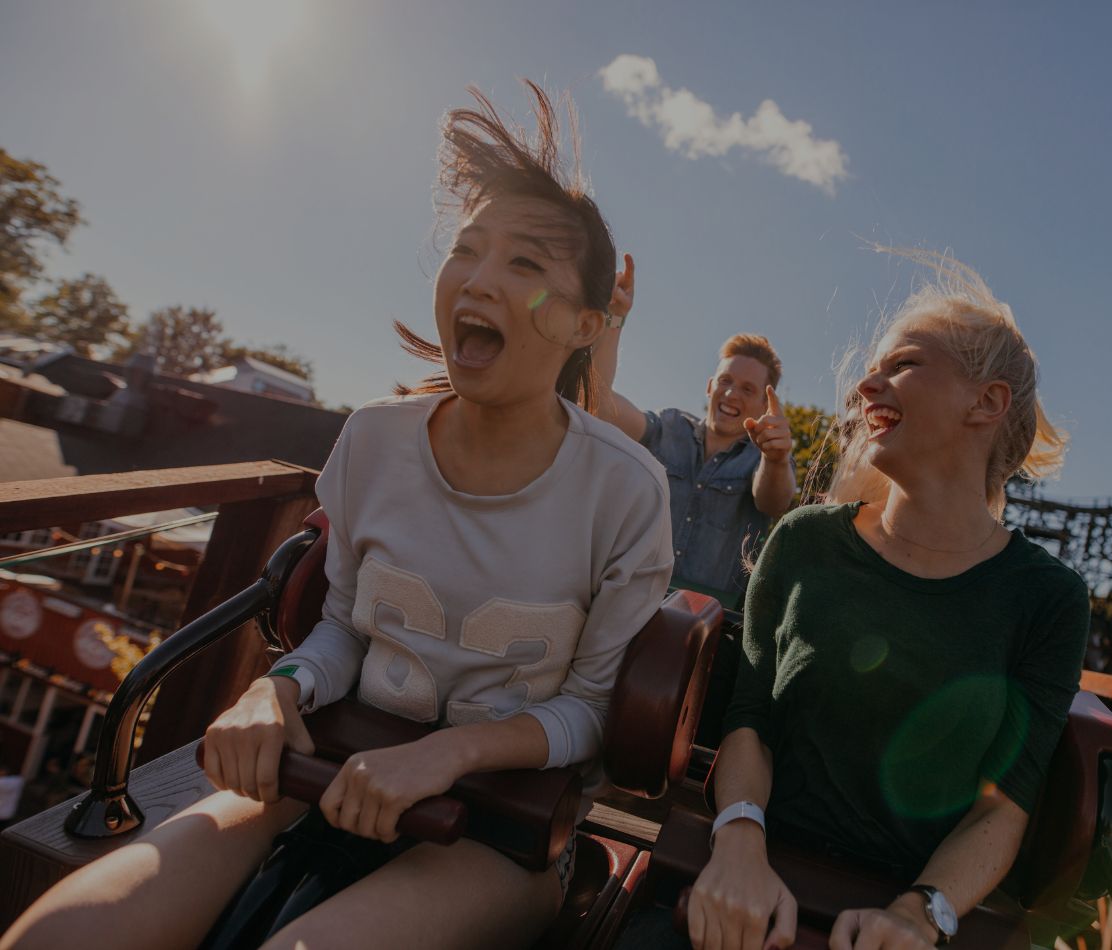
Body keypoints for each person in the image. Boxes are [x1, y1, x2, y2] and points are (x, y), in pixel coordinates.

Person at [2, 82, 672, 950]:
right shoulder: (373, 439)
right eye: (467, 249)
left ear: (586, 323)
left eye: (525, 265)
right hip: (327, 765)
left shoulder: (625, 489)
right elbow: (347, 631)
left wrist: (452, 752)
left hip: (501, 829)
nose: (477, 278)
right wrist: (271, 690)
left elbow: (590, 714)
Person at [677, 250, 1089, 950]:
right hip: (751, 881)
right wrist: (739, 844)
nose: (867, 383)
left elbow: (1003, 805)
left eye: (901, 365)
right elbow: (751, 719)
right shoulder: (805, 541)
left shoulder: (1048, 598)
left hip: (901, 917)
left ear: (986, 403)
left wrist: (920, 914)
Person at [593, 262, 796, 605]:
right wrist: (613, 319)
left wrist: (776, 459)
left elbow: (774, 501)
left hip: (707, 626)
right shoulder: (670, 426)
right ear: (709, 386)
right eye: (726, 381)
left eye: (747, 389)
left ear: (764, 404)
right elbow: (599, 404)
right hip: (624, 601)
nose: (732, 394)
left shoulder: (762, 459)